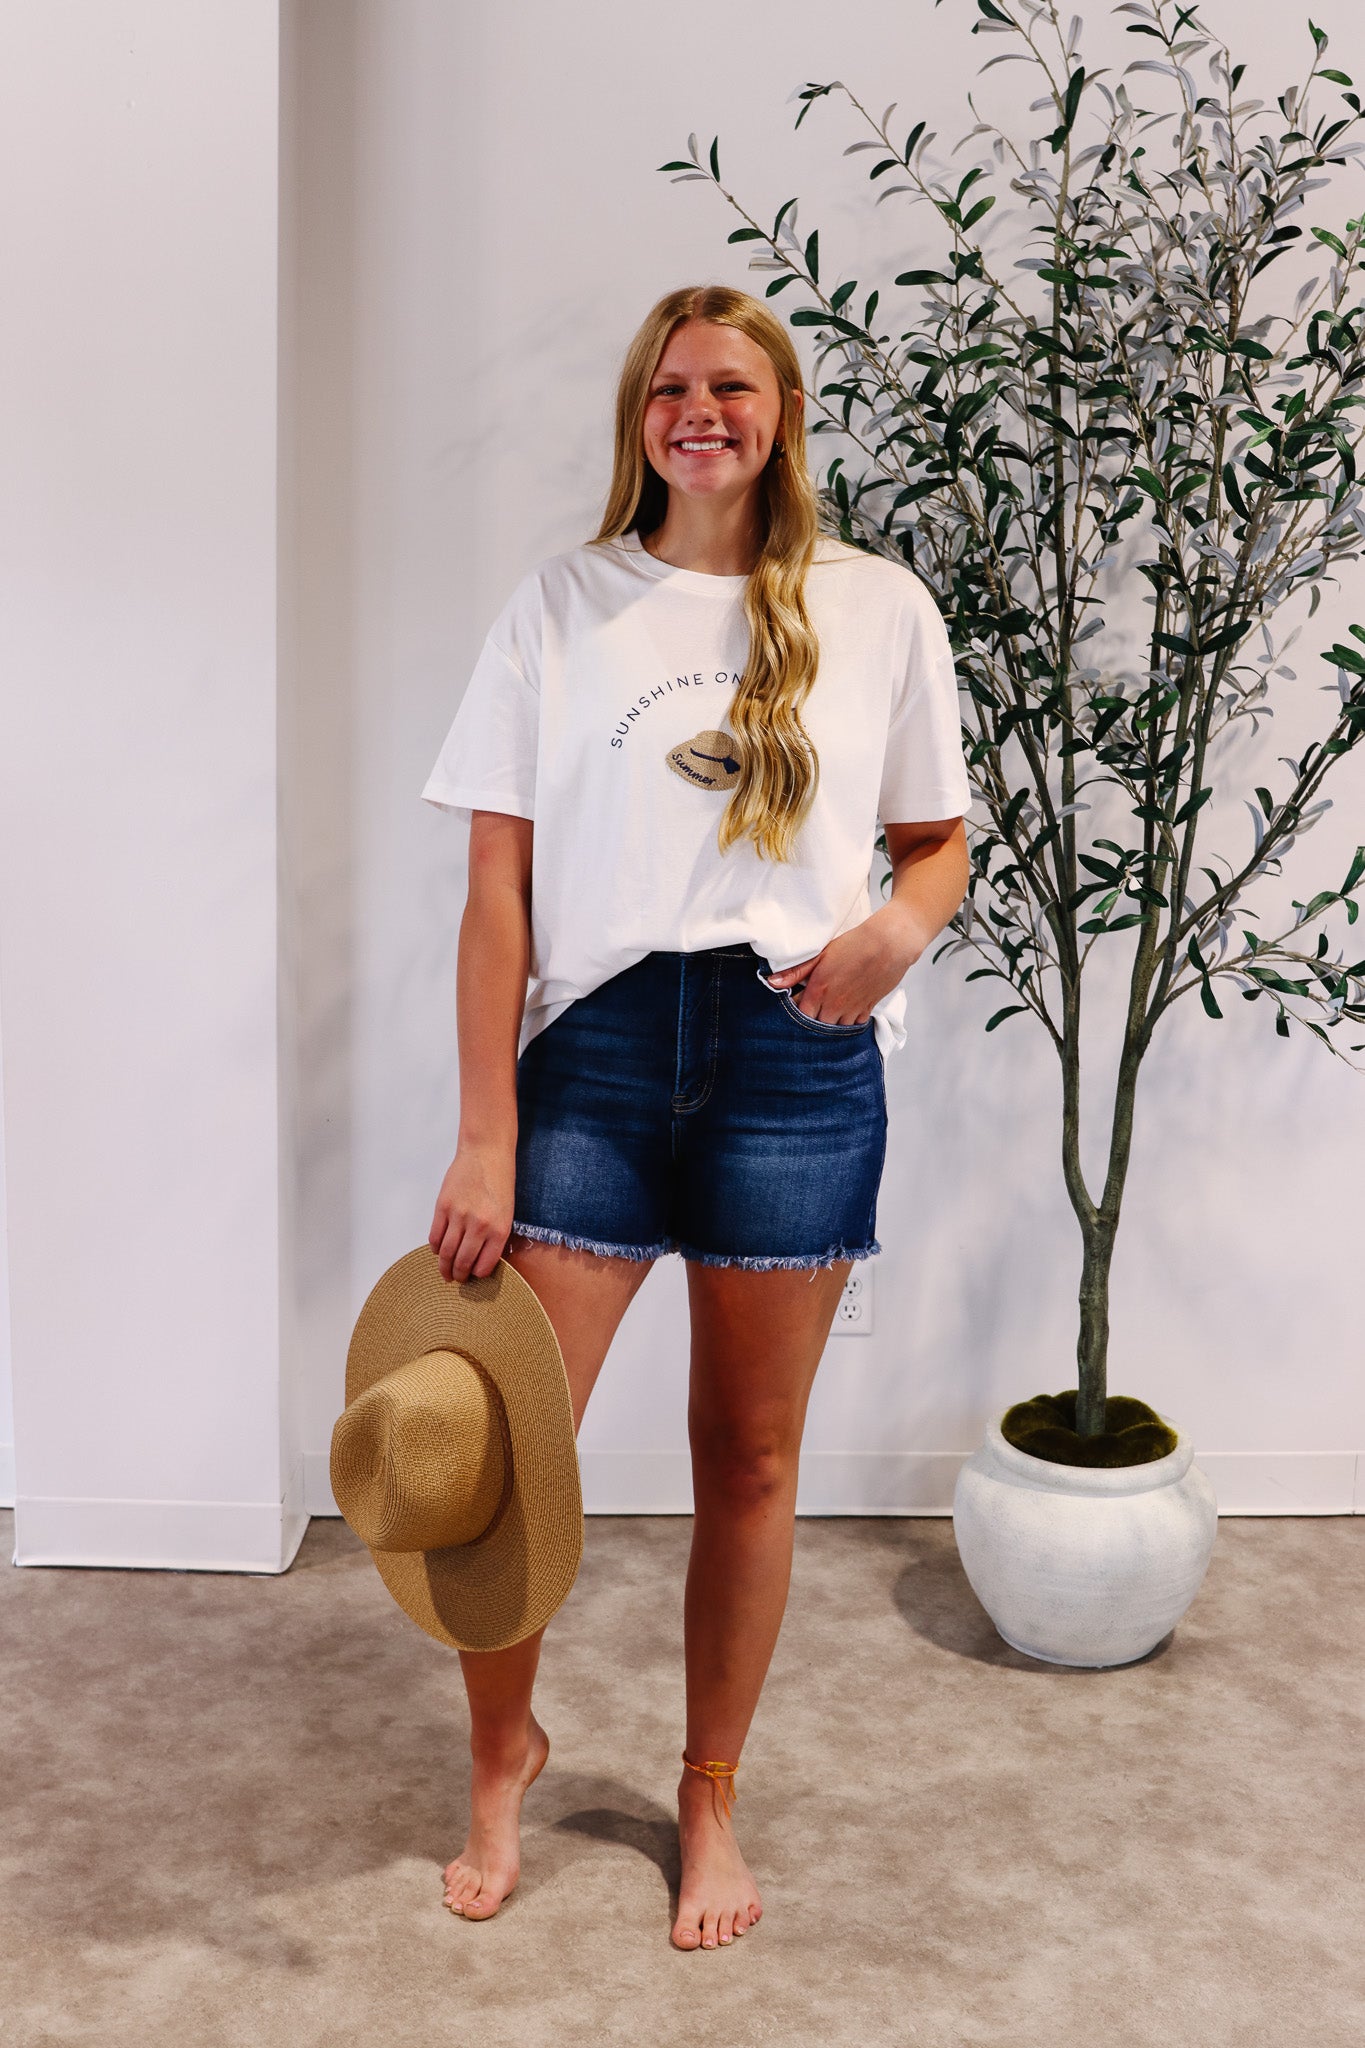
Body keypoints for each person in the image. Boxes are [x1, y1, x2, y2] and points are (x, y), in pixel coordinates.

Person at [420, 283, 971, 1950]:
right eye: (669, 388)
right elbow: (496, 891)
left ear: (781, 410)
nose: (698, 412)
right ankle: (501, 1756)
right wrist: (484, 1131)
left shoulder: (874, 607)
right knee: (506, 1448)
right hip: (589, 1055)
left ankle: (708, 1792)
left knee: (747, 1457)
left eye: (730, 384)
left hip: (792, 1058)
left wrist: (889, 936)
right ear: (639, 419)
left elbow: (934, 847)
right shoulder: (563, 603)